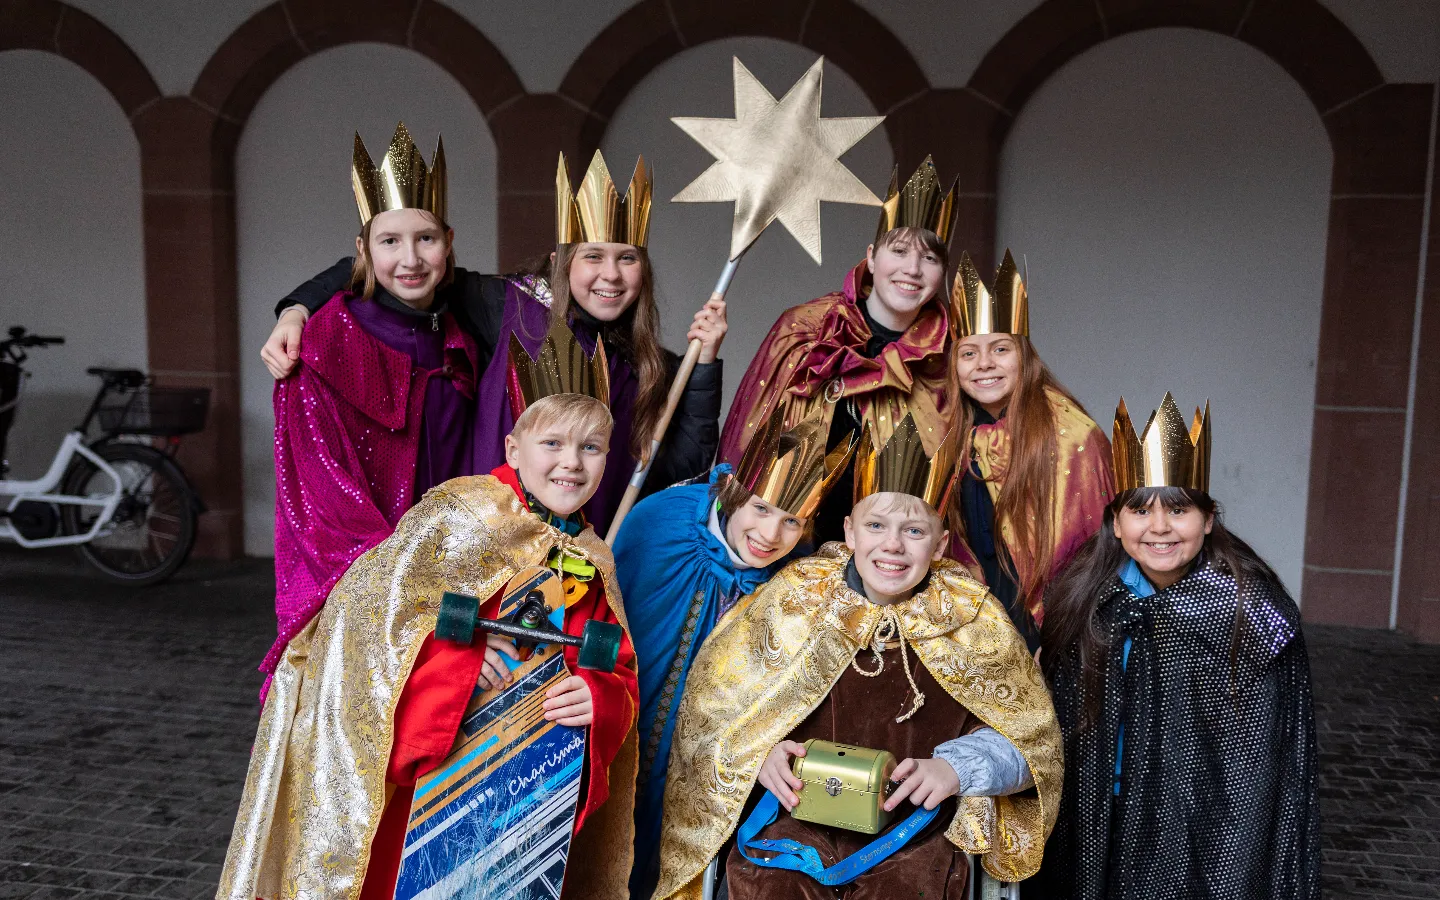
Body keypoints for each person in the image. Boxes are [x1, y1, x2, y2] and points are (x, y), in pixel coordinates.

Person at [219, 322, 640, 900]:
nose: (571, 463)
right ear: (513, 448)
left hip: (533, 790)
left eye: (590, 448)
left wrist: (601, 697)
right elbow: (365, 625)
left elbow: (615, 665)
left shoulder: (591, 555)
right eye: (553, 443)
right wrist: (456, 662)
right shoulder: (461, 515)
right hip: (435, 782)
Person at [652, 413, 1063, 900]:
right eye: (875, 525)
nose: (892, 545)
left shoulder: (974, 619)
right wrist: (758, 754)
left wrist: (958, 768)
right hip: (792, 825)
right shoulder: (794, 598)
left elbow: (1031, 742)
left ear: (941, 544)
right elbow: (712, 713)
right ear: (849, 532)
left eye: (913, 531)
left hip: (916, 838)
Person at [259, 150, 727, 531]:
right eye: (593, 257)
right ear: (561, 261)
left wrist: (704, 365)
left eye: (626, 258)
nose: (610, 274)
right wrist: (297, 309)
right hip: (486, 557)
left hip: (588, 571)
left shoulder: (647, 363)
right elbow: (404, 273)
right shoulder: (507, 306)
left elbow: (681, 469)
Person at [1035, 394, 1320, 899]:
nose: (1160, 527)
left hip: (1200, 826)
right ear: (1116, 522)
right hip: (1098, 805)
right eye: (1140, 510)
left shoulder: (1249, 611)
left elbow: (1259, 760)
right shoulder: (1087, 597)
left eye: (1180, 510)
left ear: (1209, 520)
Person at [261, 122, 479, 692]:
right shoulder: (323, 346)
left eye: (426, 239)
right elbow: (325, 509)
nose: (410, 259)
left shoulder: (462, 337)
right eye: (389, 241)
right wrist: (417, 605)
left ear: (449, 242)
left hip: (462, 598)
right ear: (362, 249)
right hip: (365, 606)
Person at [613, 404, 856, 899]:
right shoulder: (659, 523)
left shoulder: (799, 582)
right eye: (761, 509)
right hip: (627, 739)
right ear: (733, 490)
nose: (769, 536)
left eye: (791, 521)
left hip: (706, 771)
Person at [717, 157, 960, 542]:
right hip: (785, 541)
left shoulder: (949, 357)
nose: (912, 269)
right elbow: (746, 437)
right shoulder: (805, 327)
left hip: (887, 555)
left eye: (929, 258)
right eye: (899, 251)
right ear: (871, 256)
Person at [946, 250, 1114, 652]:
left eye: (1001, 349)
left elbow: (1091, 551)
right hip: (977, 622)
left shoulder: (1072, 433)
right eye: (969, 353)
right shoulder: (950, 432)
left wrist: (1056, 638)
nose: (984, 364)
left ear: (1025, 354)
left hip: (1051, 627)